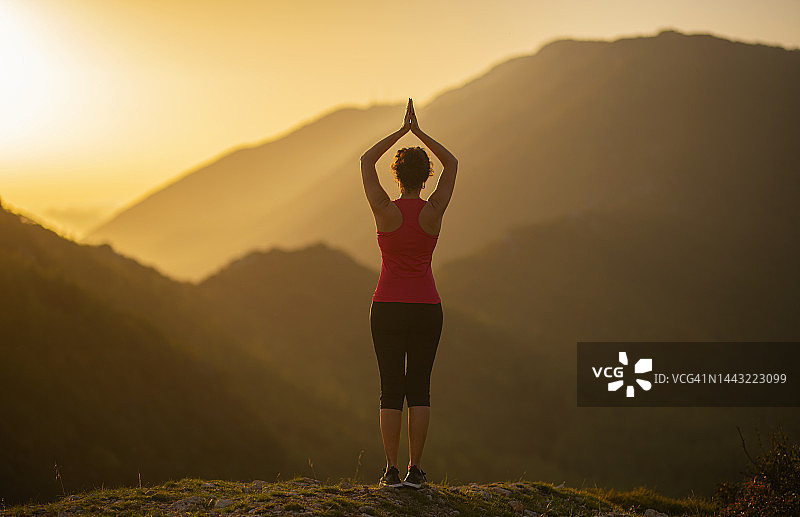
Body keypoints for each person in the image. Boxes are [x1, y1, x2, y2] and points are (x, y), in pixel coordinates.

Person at [360, 98, 458, 489]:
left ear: (397, 177)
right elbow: (453, 164)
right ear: (426, 176)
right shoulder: (434, 211)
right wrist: (420, 133)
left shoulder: (385, 210)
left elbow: (366, 161)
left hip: (386, 306)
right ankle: (416, 470)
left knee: (390, 389)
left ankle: (391, 471)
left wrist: (401, 132)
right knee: (420, 387)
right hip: (426, 308)